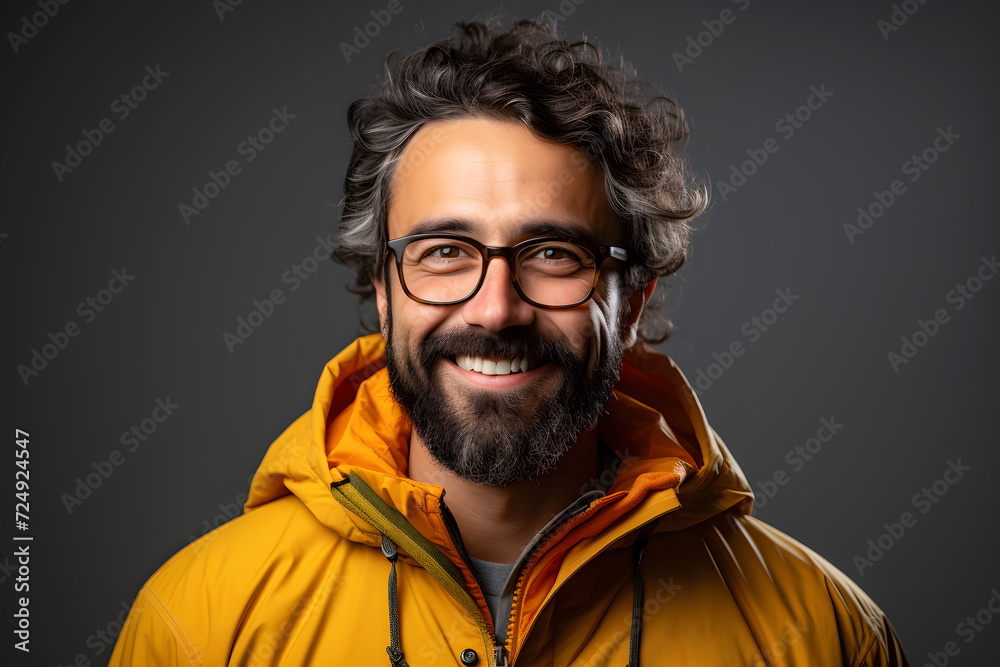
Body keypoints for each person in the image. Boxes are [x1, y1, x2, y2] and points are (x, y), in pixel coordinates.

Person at [110, 17, 909, 666]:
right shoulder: (200, 626)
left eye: (554, 254)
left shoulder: (823, 636)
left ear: (632, 299)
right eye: (445, 251)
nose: (496, 309)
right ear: (384, 292)